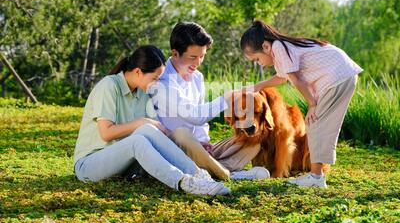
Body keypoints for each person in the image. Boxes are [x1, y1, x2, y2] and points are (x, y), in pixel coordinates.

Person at [73, 45, 231, 196]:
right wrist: (142, 122)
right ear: (138, 72)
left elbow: (156, 132)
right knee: (139, 138)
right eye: (154, 78)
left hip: (125, 164)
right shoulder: (109, 85)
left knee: (147, 130)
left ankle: (198, 174)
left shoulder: (143, 93)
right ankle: (183, 182)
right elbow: (106, 133)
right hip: (89, 165)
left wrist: (191, 142)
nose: (156, 84)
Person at [240, 20, 363, 188]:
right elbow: (283, 77)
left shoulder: (279, 48)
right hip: (341, 76)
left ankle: (316, 177)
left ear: (266, 47)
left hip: (337, 77)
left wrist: (312, 104)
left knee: (316, 123)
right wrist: (258, 86)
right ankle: (316, 175)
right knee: (316, 124)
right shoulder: (281, 48)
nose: (258, 63)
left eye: (257, 58)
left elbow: (296, 80)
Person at [149, 22, 270, 181]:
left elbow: (200, 117)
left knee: (252, 142)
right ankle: (228, 174)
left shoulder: (197, 77)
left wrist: (204, 141)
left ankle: (209, 168)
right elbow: (195, 116)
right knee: (181, 134)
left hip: (196, 149)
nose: (198, 62)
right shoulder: (163, 81)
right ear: (175, 53)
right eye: (193, 57)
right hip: (173, 148)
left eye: (202, 56)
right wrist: (226, 98)